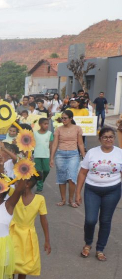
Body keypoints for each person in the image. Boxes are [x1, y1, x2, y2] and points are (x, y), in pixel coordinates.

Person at [75, 127, 122, 261]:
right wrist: (78, 193)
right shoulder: (92, 153)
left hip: (112, 191)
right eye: (105, 137)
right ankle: (88, 243)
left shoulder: (120, 153)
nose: (108, 139)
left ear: (114, 138)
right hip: (92, 190)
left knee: (105, 221)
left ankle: (100, 249)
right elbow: (83, 173)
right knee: (90, 220)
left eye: (111, 137)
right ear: (100, 138)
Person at [5, 175, 51, 279]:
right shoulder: (14, 193)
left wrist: (47, 240)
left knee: (24, 264)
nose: (16, 182)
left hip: (28, 235)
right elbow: (2, 183)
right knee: (9, 260)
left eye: (19, 181)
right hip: (13, 231)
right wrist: (2, 164)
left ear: (27, 184)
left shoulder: (40, 199)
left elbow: (44, 220)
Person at [50, 110, 84, 207]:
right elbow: (55, 144)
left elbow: (80, 143)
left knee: (72, 178)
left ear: (70, 119)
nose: (63, 120)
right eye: (62, 118)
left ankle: (71, 200)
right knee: (61, 178)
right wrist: (51, 158)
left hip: (73, 154)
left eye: (65, 118)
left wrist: (84, 155)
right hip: (60, 154)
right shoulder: (58, 129)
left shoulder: (77, 128)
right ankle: (63, 199)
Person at [33, 118, 53, 192]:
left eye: (47, 124)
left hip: (46, 155)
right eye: (45, 124)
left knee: (46, 170)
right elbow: (32, 144)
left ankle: (41, 181)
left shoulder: (49, 133)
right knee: (38, 171)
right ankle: (39, 186)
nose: (47, 125)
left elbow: (51, 146)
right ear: (40, 124)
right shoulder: (35, 133)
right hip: (37, 155)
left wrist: (51, 158)